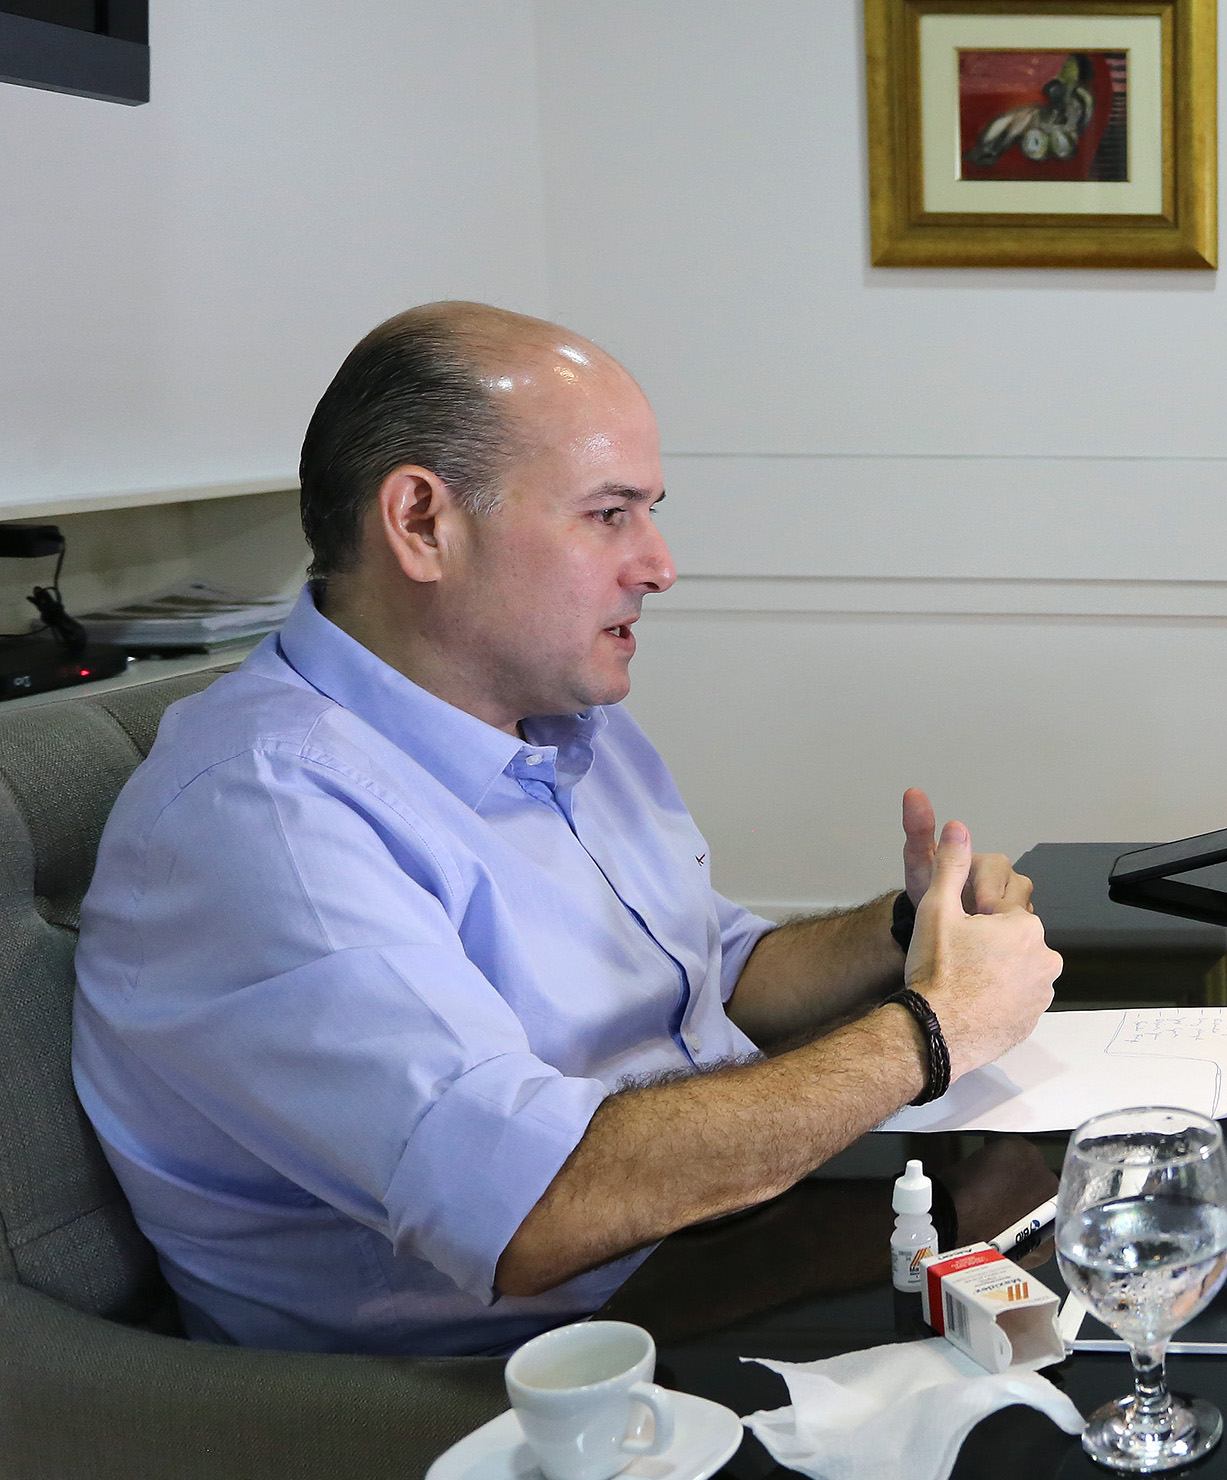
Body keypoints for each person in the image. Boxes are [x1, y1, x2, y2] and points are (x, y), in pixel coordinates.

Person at [71, 303, 1064, 1356]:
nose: (659, 564)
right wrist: (932, 1028)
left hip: (700, 1252)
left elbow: (709, 973)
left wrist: (909, 926)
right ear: (420, 523)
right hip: (516, 1381)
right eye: (608, 515)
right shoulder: (267, 813)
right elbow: (534, 1201)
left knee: (1105, 1225)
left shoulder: (563, 718)